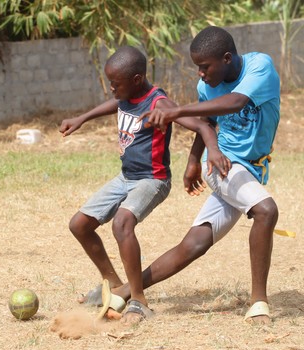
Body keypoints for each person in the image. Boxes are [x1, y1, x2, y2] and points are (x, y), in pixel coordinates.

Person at [107, 26, 280, 325]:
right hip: (223, 163)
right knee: (266, 210)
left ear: (227, 58)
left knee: (193, 246)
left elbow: (236, 102)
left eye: (204, 66)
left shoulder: (259, 66)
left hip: (249, 168)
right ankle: (259, 302)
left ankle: (123, 291)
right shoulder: (206, 87)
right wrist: (193, 160)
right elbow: (207, 123)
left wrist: (176, 111)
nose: (200, 73)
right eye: (197, 67)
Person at [59, 45, 230, 325]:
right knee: (79, 224)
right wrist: (82, 118)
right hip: (126, 177)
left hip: (153, 179)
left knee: (121, 224)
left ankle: (138, 300)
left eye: (116, 84)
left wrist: (206, 154)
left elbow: (203, 127)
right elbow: (117, 103)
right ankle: (114, 286)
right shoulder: (127, 94)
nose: (112, 89)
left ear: (137, 79)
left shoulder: (159, 103)